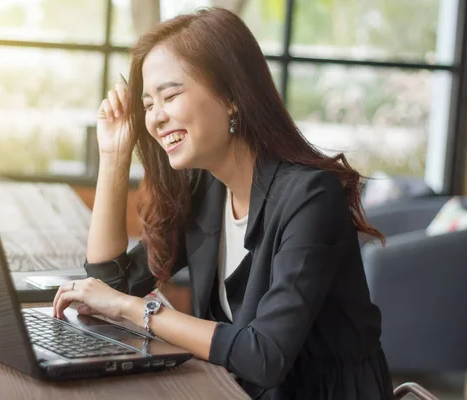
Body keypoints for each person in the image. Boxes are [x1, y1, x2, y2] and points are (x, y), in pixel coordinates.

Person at [53, 7, 393, 399]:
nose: (155, 118)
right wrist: (113, 157)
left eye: (170, 94)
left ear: (232, 96)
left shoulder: (311, 198)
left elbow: (265, 354)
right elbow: (109, 286)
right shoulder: (205, 188)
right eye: (147, 105)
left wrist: (133, 309)